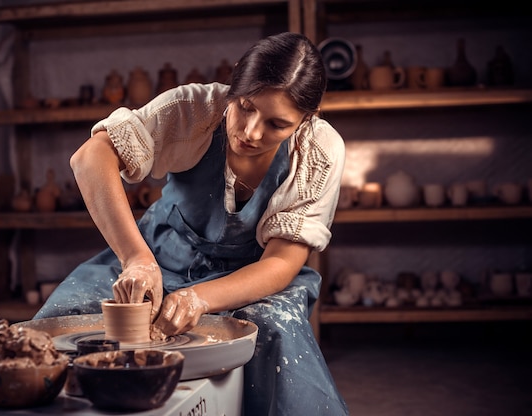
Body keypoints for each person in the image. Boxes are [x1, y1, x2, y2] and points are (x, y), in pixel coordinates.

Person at [35, 31, 348, 415]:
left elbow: (281, 262)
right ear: (235, 83)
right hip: (160, 254)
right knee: (61, 327)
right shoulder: (194, 109)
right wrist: (136, 258)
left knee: (272, 331)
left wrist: (200, 298)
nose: (251, 132)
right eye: (246, 107)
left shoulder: (319, 151)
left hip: (251, 275)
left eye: (276, 124)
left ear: (307, 118)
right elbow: (90, 158)